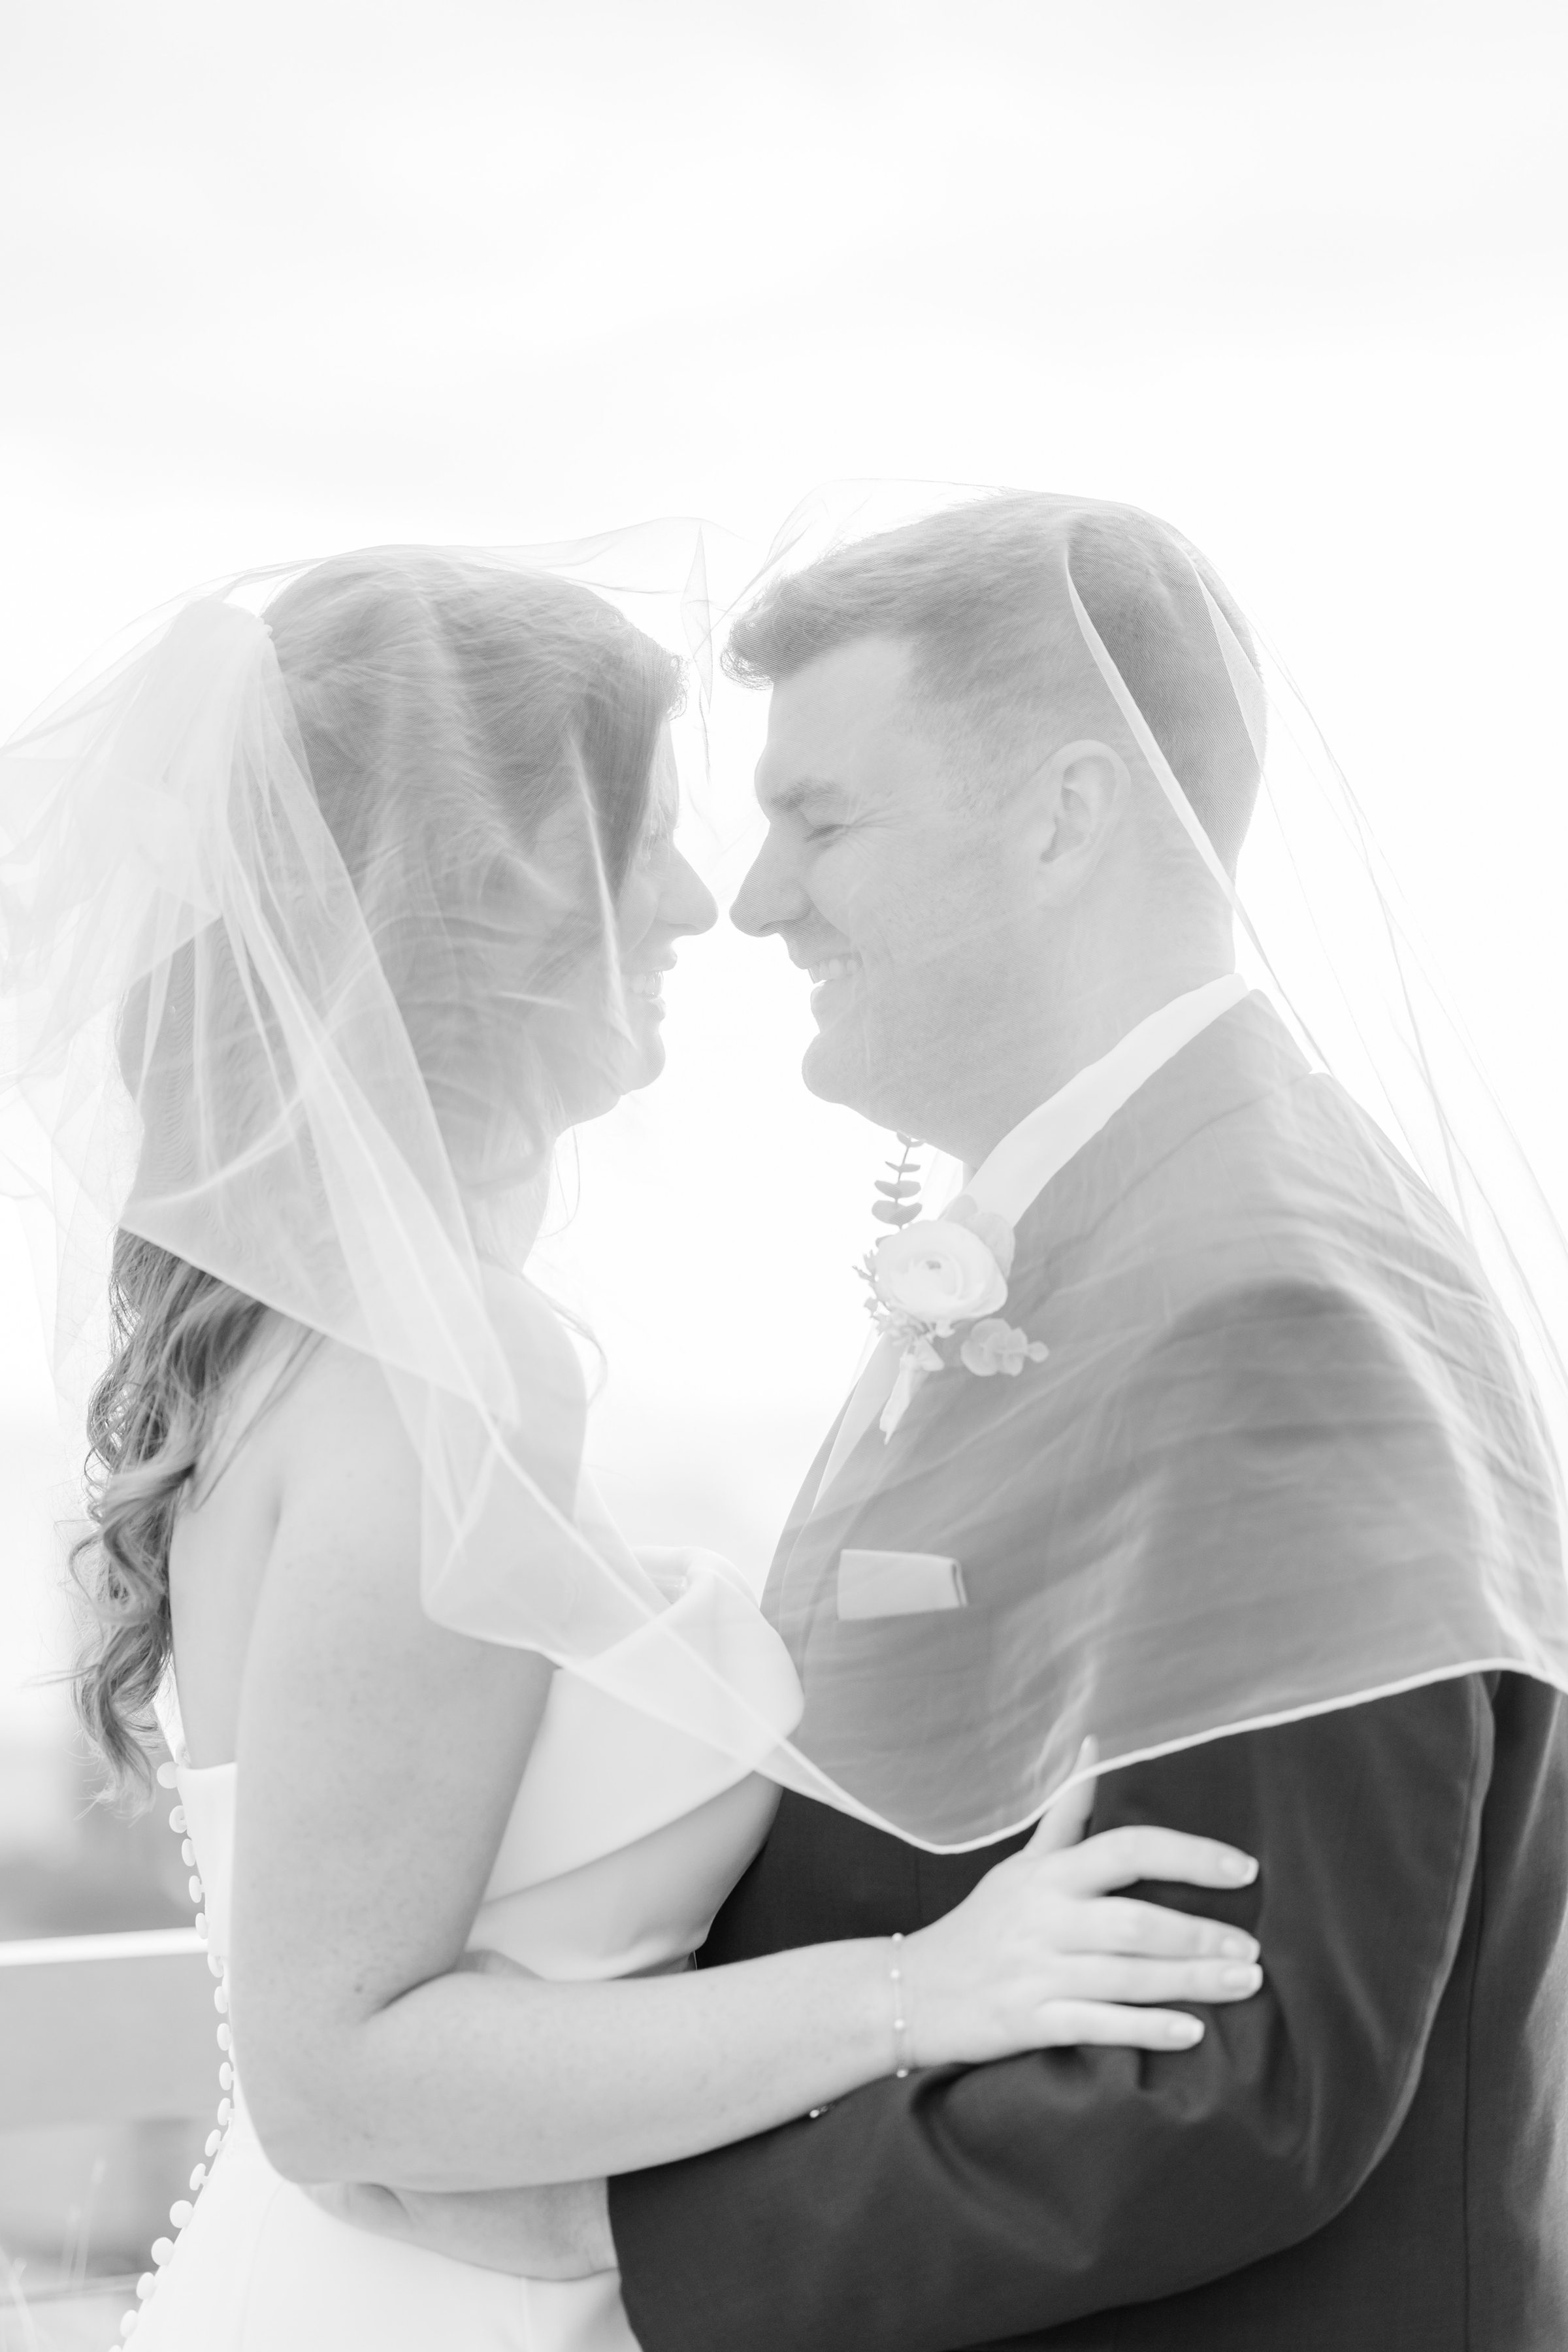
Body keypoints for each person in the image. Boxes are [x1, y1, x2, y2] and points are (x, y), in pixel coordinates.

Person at [0, 542, 1267, 2352]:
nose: (692, 903)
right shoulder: (435, 1375)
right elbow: (337, 2083)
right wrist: (923, 1987)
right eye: (639, 838)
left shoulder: (333, 1339)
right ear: (486, 886)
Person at [355, 495, 1568, 2349]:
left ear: (1066, 817)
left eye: (822, 820)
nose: (755, 900)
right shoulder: (1122, 1235)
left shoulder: (1263, 1314)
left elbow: (1235, 2074)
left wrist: (620, 2238)